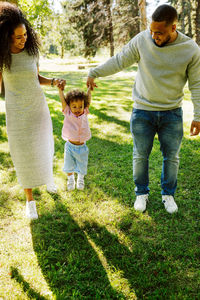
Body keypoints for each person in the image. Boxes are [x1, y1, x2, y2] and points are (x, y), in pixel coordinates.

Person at [87, 4, 200, 213]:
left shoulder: (191, 49)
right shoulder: (142, 40)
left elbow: (197, 84)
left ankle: (168, 194)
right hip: (142, 111)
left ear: (174, 28)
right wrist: (95, 72)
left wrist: (198, 115)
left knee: (172, 157)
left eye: (160, 33)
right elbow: (120, 60)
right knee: (140, 155)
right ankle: (141, 193)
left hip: (172, 113)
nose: (154, 36)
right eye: (151, 31)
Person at [0, 2, 66, 220]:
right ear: (7, 36)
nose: (23, 39)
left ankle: (48, 180)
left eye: (25, 34)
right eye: (18, 37)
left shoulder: (31, 52)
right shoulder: (1, 58)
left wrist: (53, 81)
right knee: (22, 152)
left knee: (42, 145)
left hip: (37, 106)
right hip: (16, 110)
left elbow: (37, 78)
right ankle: (30, 199)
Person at [58, 87, 91, 191]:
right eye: (74, 107)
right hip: (70, 147)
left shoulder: (85, 112)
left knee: (82, 164)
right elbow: (63, 101)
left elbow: (88, 100)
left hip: (82, 147)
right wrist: (60, 90)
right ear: (69, 106)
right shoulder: (67, 112)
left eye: (80, 106)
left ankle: (80, 179)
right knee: (69, 164)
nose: (77, 109)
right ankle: (71, 179)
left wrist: (89, 90)